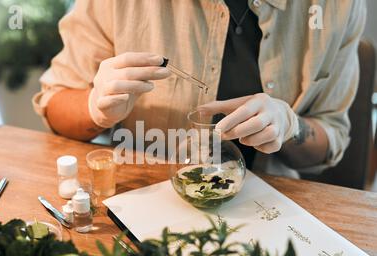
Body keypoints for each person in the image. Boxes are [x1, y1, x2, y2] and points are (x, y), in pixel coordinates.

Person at [33, 0, 366, 177]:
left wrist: (290, 126)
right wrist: (95, 107)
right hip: (146, 198)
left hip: (269, 209)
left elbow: (330, 140)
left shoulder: (335, 8)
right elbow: (55, 105)